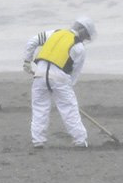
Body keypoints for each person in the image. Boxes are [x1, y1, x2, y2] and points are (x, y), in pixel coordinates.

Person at [23, 17, 96, 148]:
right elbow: (74, 73)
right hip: (60, 77)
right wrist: (68, 89)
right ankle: (80, 140)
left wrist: (27, 61)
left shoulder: (54, 33)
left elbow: (32, 41)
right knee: (69, 108)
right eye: (87, 36)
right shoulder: (79, 48)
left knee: (40, 107)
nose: (86, 39)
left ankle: (38, 140)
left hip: (39, 74)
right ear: (83, 32)